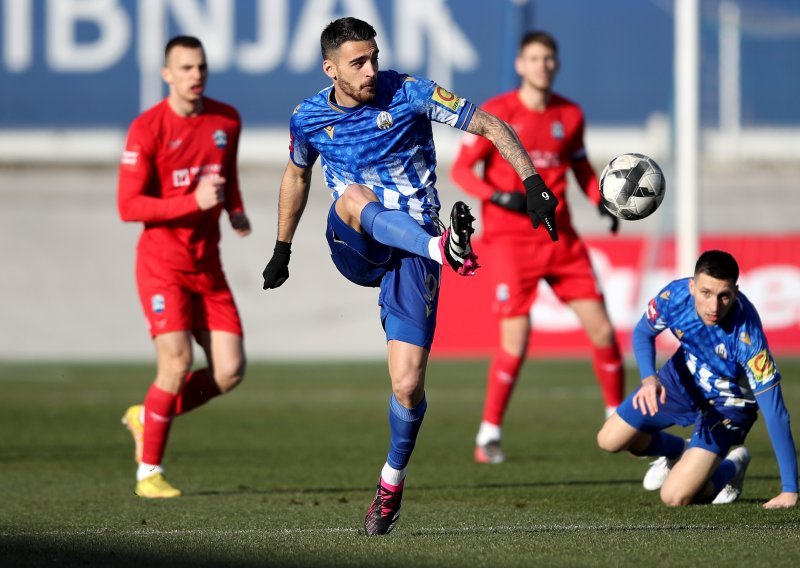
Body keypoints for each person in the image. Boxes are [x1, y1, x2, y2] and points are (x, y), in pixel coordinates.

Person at [260, 17, 559, 536]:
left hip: (414, 250)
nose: (372, 69)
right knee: (353, 195)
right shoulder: (307, 118)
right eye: (358, 62)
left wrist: (532, 180)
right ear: (330, 69)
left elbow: (488, 124)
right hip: (357, 240)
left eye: (374, 57)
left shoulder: (410, 92)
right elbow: (297, 171)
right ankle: (443, 248)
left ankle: (390, 483)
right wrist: (282, 247)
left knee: (407, 383)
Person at [450, 31, 624, 464]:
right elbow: (461, 170)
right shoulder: (498, 112)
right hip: (510, 240)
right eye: (534, 58)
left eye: (548, 58)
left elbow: (581, 166)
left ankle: (619, 421)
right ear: (520, 64)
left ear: (556, 64)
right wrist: (499, 196)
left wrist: (601, 200)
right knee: (517, 340)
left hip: (561, 238)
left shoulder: (570, 113)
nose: (542, 65)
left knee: (603, 331)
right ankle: (488, 434)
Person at [117, 35, 251, 498]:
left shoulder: (226, 118)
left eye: (201, 67)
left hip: (207, 264)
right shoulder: (147, 128)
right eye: (186, 67)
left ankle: (146, 414)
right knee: (175, 363)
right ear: (167, 74)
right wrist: (188, 202)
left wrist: (234, 209)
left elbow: (225, 172)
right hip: (162, 266)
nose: (196, 75)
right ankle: (148, 472)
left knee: (230, 372)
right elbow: (128, 205)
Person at [597, 250, 797, 508]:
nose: (714, 306)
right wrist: (649, 379)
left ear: (736, 291)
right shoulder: (675, 297)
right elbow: (643, 332)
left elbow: (776, 412)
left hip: (728, 402)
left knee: (674, 497)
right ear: (692, 286)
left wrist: (789, 490)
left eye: (724, 295)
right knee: (610, 440)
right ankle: (679, 451)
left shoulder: (748, 336)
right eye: (706, 293)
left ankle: (731, 466)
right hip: (681, 380)